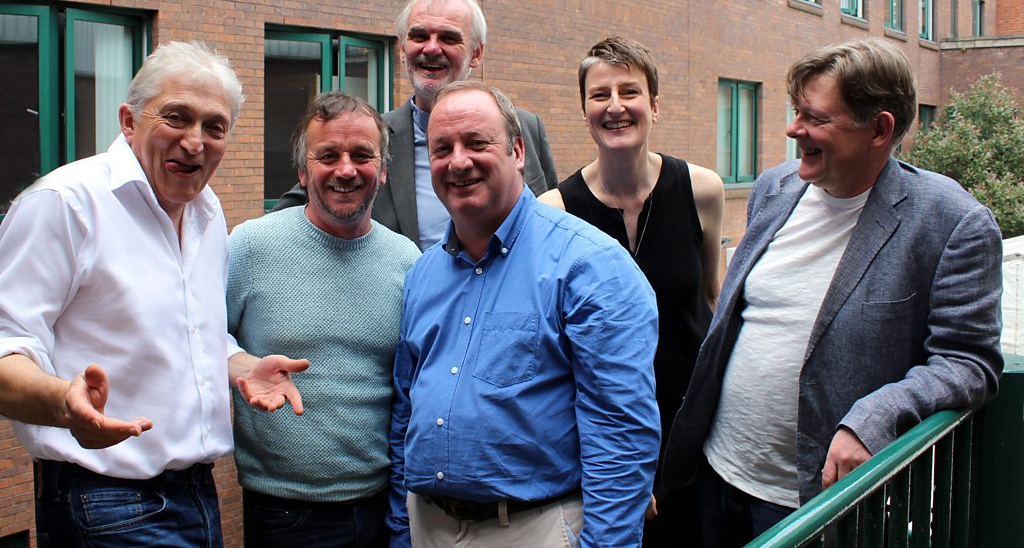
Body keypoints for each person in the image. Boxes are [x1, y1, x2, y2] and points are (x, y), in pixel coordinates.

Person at [662, 38, 1004, 546]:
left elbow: (968, 362)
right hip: (717, 475)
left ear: (879, 129)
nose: (793, 128)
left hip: (818, 504)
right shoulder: (774, 188)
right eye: (796, 110)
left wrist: (878, 415)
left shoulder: (953, 223)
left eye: (815, 117)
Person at [0, 40, 307, 547]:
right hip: (102, 499)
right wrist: (63, 404)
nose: (195, 141)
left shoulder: (208, 213)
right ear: (128, 121)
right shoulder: (66, 204)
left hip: (197, 493)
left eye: (214, 127)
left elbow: (189, 334)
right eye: (176, 118)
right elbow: (6, 345)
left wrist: (240, 366)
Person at [387, 81, 661, 547]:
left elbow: (620, 436)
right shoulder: (422, 274)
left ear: (517, 151)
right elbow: (405, 412)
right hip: (427, 526)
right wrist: (401, 530)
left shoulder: (589, 265)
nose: (458, 162)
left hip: (535, 528)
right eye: (442, 149)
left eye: (477, 143)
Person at [539, 35, 724, 547]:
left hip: (696, 438)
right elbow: (558, 354)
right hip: (605, 443)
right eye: (600, 95)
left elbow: (711, 302)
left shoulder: (702, 190)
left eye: (630, 91)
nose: (615, 106)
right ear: (584, 112)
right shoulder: (555, 211)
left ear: (654, 106)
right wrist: (620, 467)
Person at [227, 92, 420, 548]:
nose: (346, 170)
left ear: (383, 170)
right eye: (328, 156)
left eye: (362, 155)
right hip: (283, 513)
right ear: (302, 171)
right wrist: (239, 365)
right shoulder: (251, 247)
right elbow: (199, 337)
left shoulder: (407, 260)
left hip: (385, 509)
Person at [271, 0, 558, 251]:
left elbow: (553, 222)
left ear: (476, 53)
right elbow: (288, 214)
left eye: (448, 37)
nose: (431, 48)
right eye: (419, 36)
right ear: (402, 47)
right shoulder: (371, 141)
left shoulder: (525, 128)